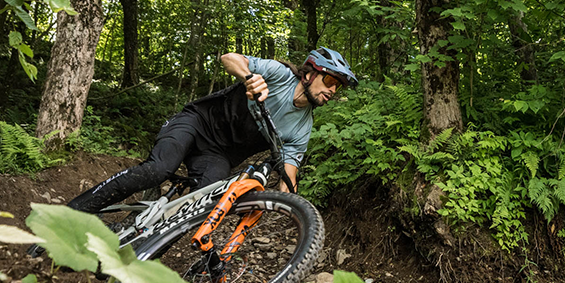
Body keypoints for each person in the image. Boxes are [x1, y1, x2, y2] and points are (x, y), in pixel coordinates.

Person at [65, 47, 359, 214]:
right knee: (158, 170)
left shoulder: (304, 126)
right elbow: (229, 57)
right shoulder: (280, 75)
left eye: (338, 87)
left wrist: (289, 199)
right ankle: (74, 212)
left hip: (217, 155)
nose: (333, 91)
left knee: (198, 209)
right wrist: (248, 77)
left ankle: (137, 255)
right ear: (309, 74)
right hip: (196, 123)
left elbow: (289, 172)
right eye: (331, 82)